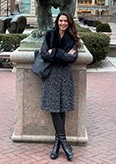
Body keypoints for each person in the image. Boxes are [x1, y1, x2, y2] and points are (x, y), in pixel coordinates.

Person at [40, 11, 81, 161]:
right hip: (51, 75)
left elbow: (73, 58)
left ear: (69, 23)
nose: (63, 23)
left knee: (62, 108)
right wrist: (62, 53)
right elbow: (43, 53)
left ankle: (57, 144)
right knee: (54, 109)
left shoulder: (73, 38)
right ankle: (64, 144)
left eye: (66, 21)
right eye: (60, 20)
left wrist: (55, 51)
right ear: (57, 21)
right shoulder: (49, 35)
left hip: (64, 76)